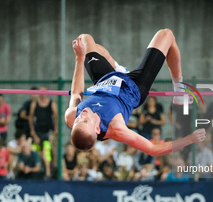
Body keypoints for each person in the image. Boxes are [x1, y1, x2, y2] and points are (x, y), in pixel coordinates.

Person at [64, 29, 205, 156]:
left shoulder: (71, 116)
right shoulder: (116, 128)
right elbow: (152, 149)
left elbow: (76, 94)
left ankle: (119, 70)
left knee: (84, 39)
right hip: (133, 88)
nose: (82, 115)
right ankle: (179, 88)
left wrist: (80, 58)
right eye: (86, 120)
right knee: (166, 35)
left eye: (78, 120)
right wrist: (190, 139)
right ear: (96, 128)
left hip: (106, 81)